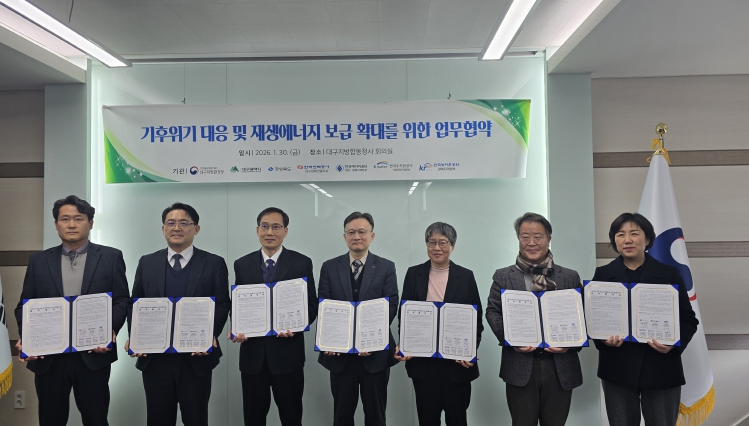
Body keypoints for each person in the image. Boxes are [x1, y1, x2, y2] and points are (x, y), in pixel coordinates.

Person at [14, 195, 130, 426]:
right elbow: (24, 305)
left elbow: (121, 299)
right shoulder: (38, 261)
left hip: (93, 353)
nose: (72, 224)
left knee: (96, 418)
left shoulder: (111, 257)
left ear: (90, 223)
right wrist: (27, 336)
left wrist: (111, 329)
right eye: (65, 219)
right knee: (51, 419)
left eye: (78, 218)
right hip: (49, 357)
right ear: (56, 224)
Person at [125, 202, 230, 426]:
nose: (177, 228)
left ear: (196, 229)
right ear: (163, 229)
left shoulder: (214, 263)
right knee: (158, 420)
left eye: (184, 223)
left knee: (196, 419)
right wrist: (135, 336)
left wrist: (210, 335)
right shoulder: (147, 262)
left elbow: (222, 304)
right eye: (171, 223)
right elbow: (136, 303)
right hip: (156, 360)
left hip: (196, 358)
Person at [593, 213, 698, 426]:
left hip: (661, 368)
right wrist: (603, 340)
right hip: (617, 368)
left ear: (647, 239)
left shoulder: (669, 274)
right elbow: (593, 319)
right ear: (614, 240)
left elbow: (688, 319)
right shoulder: (603, 275)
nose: (627, 240)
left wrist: (673, 344)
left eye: (634, 233)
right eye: (620, 234)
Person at [485, 212, 584, 426]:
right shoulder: (504, 276)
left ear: (548, 238)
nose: (531, 243)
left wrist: (570, 344)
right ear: (518, 239)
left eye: (538, 236)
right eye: (525, 237)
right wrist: (511, 339)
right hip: (520, 365)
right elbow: (493, 311)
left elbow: (581, 317)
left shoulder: (569, 277)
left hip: (560, 367)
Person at [230, 207, 318, 426]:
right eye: (264, 226)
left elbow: (311, 304)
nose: (269, 232)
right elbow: (238, 304)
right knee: (253, 419)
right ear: (257, 230)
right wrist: (237, 327)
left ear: (285, 231)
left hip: (288, 355)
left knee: (291, 418)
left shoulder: (301, 263)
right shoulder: (242, 264)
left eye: (276, 227)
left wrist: (296, 326)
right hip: (253, 357)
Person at [394, 222, 483, 426]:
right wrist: (405, 344)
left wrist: (469, 351)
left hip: (456, 365)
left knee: (457, 419)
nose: (436, 248)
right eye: (431, 242)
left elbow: (476, 320)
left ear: (452, 245)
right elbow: (405, 315)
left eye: (442, 242)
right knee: (427, 419)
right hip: (424, 364)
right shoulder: (413, 274)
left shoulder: (466, 276)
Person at [318, 211, 399, 426]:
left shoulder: (386, 267)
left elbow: (391, 305)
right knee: (342, 416)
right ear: (344, 236)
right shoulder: (329, 267)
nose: (356, 237)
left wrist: (369, 340)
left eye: (362, 232)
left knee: (376, 416)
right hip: (340, 356)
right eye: (351, 232)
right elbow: (324, 306)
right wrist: (329, 340)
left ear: (372, 235)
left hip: (375, 355)